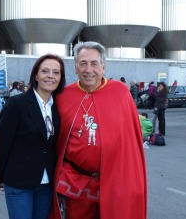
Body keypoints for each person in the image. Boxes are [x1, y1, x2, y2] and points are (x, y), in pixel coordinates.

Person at [49, 42, 147, 219]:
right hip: (76, 180)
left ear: (103, 67)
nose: (88, 69)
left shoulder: (120, 92)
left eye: (94, 63)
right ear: (75, 68)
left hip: (114, 180)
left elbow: (132, 139)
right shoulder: (63, 95)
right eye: (83, 63)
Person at [0, 54, 66, 219]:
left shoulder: (57, 107)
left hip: (46, 184)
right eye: (45, 71)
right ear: (36, 75)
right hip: (19, 183)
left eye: (56, 72)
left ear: (60, 78)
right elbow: (1, 144)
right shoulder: (17, 104)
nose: (50, 76)